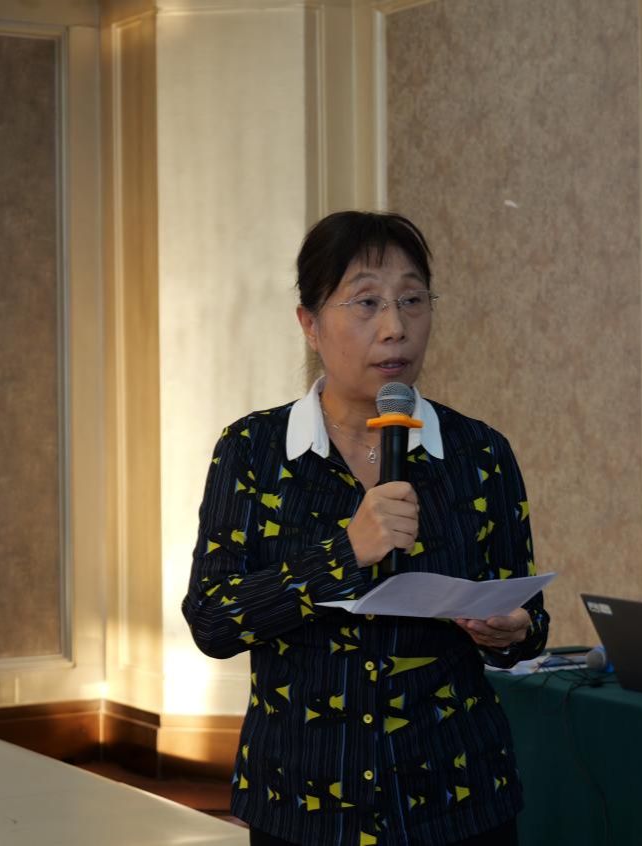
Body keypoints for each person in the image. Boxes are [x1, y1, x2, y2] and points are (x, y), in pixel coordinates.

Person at [181, 211, 549, 846]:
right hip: (302, 800)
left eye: (412, 300)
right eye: (367, 302)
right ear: (310, 323)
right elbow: (213, 621)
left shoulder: (479, 453)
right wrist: (344, 553)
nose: (395, 327)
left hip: (458, 798)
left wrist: (512, 631)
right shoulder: (252, 450)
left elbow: (529, 620)